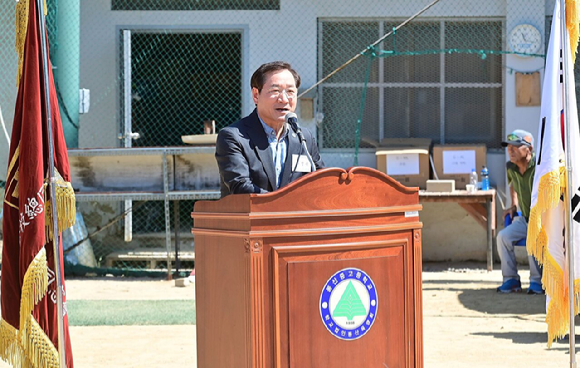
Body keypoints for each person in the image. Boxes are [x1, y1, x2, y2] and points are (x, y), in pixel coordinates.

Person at [216, 61, 324, 197]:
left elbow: (321, 182)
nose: (284, 99)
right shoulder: (234, 136)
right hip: (251, 216)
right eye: (275, 91)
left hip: (294, 217)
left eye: (290, 91)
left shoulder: (304, 138)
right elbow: (240, 186)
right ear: (256, 95)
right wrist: (282, 204)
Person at [496, 129, 543, 294]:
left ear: (528, 149)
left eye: (515, 146)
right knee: (503, 237)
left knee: (533, 236)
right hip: (526, 218)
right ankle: (511, 279)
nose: (510, 150)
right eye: (509, 147)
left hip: (544, 221)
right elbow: (512, 184)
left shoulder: (540, 166)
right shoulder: (511, 167)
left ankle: (537, 282)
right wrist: (514, 205)